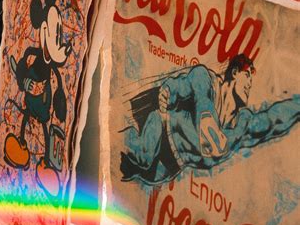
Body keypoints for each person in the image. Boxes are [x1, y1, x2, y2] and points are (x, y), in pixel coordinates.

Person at [121, 54, 300, 185]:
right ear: (235, 72)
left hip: (167, 169)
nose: (250, 84)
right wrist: (169, 90)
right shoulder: (205, 80)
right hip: (159, 136)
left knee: (131, 174)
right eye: (247, 76)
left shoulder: (241, 124)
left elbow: (273, 120)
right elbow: (189, 88)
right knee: (138, 158)